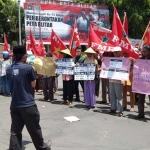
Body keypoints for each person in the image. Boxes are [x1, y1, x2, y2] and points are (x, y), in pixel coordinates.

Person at [6, 46, 51, 150]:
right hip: (28, 104)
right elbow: (33, 85)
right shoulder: (28, 68)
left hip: (15, 104)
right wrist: (33, 71)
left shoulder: (9, 69)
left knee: (15, 131)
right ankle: (42, 148)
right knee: (34, 129)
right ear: (24, 56)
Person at [108, 47, 124, 117]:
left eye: (117, 52)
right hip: (111, 79)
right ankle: (113, 108)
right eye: (114, 52)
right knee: (112, 94)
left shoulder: (124, 60)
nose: (115, 53)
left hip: (118, 80)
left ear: (120, 52)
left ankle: (120, 110)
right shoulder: (110, 60)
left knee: (119, 96)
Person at [136, 45, 150, 119]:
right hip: (141, 83)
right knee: (140, 99)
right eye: (143, 51)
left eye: (145, 51)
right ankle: (141, 114)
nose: (144, 53)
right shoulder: (140, 59)